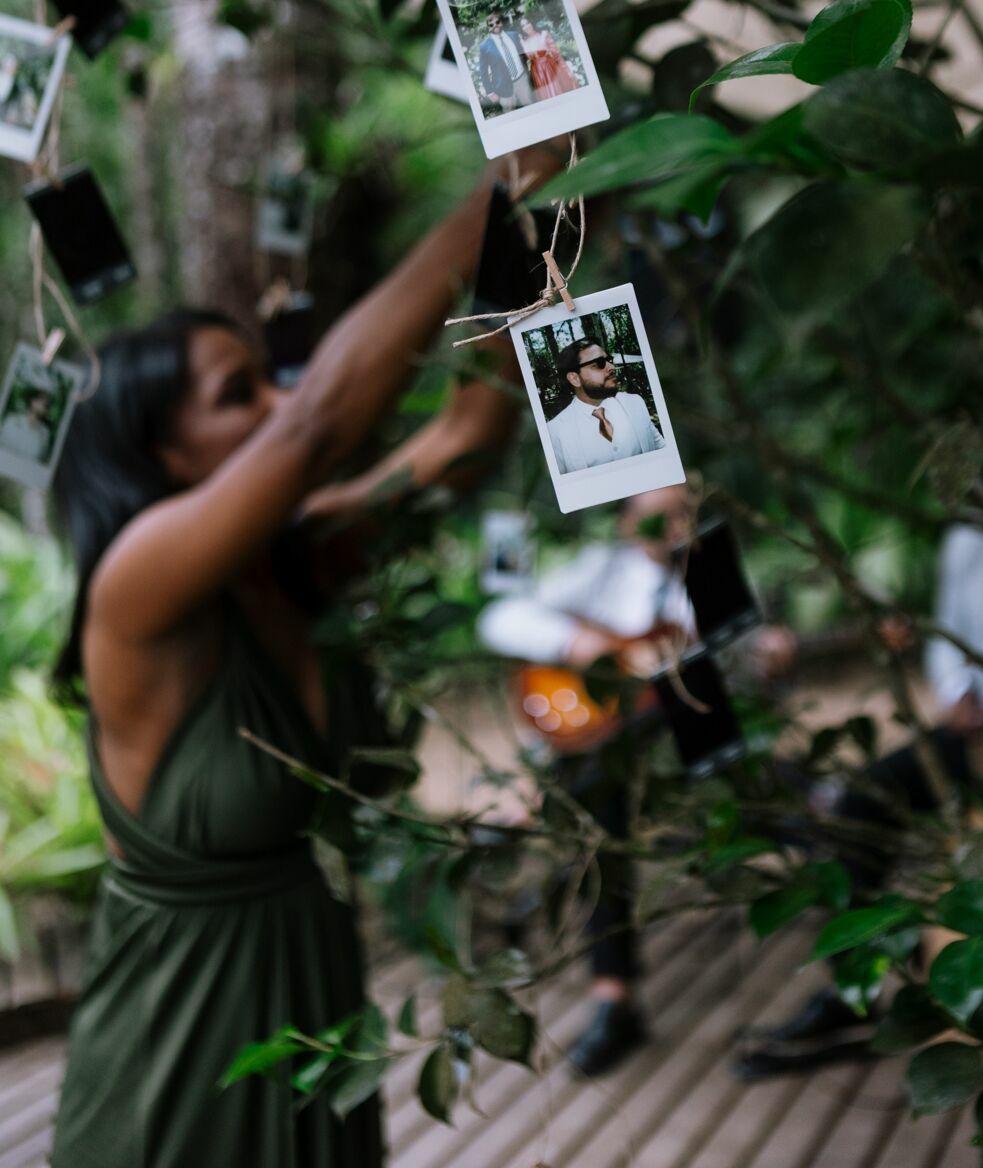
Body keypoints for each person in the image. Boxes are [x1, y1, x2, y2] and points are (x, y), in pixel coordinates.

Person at [48, 148, 560, 1168]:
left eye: (271, 382)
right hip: (172, 1054)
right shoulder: (134, 586)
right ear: (160, 457)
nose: (279, 402)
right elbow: (320, 421)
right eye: (240, 393)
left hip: (307, 1006)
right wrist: (497, 188)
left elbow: (464, 433)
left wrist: (531, 239)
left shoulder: (298, 558)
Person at [479, 486, 793, 1077]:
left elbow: (747, 675)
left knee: (625, 766)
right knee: (600, 802)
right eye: (660, 515)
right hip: (609, 747)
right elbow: (500, 618)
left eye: (685, 512)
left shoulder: (712, 573)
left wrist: (769, 658)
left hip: (691, 744)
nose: (675, 525)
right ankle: (613, 999)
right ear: (627, 525)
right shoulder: (599, 570)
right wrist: (579, 643)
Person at [735, 523, 983, 1080]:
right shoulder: (969, 539)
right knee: (862, 802)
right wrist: (956, 693)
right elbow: (948, 643)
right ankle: (853, 990)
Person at [546, 337, 664, 474]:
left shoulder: (635, 403)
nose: (612, 367)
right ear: (575, 378)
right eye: (599, 363)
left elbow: (659, 446)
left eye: (609, 360)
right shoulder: (554, 431)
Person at [478, 10, 533, 113]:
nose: (495, 25)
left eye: (497, 22)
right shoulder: (484, 47)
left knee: (530, 108)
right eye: (491, 24)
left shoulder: (514, 36)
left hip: (522, 80)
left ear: (501, 22)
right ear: (488, 28)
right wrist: (490, 92)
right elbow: (483, 72)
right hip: (503, 87)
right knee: (509, 114)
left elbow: (524, 55)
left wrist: (528, 72)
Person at [518, 15, 578, 101]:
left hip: (550, 69)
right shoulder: (523, 42)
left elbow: (557, 55)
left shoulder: (544, 35)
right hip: (537, 74)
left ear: (532, 23)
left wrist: (568, 71)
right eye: (523, 26)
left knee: (557, 93)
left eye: (528, 23)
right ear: (521, 29)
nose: (526, 26)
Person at [1, 387, 53, 464]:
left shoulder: (45, 433)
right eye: (41, 399)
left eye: (47, 404)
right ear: (32, 401)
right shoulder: (12, 421)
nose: (44, 404)